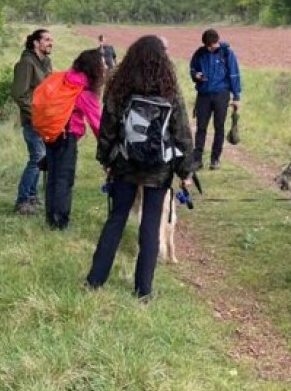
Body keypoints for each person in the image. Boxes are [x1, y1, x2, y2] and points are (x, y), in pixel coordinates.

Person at [86, 35, 195, 300]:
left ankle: (95, 280)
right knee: (150, 225)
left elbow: (108, 128)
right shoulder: (169, 90)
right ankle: (143, 290)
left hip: (125, 165)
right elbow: (181, 132)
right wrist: (186, 171)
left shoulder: (119, 87)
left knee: (116, 220)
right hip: (158, 170)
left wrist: (107, 161)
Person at [42, 49, 104, 230]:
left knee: (53, 176)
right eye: (102, 64)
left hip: (51, 132)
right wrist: (108, 146)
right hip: (66, 136)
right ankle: (60, 221)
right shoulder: (83, 90)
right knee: (64, 178)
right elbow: (97, 124)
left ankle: (50, 217)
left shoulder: (66, 79)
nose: (104, 67)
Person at [188, 28, 242, 170]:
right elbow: (192, 69)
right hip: (203, 95)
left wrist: (236, 96)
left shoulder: (227, 52)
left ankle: (215, 159)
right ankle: (197, 160)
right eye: (210, 45)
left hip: (221, 95)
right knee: (201, 128)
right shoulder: (199, 53)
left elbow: (234, 74)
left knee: (219, 127)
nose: (213, 46)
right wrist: (196, 76)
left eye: (214, 44)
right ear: (205, 44)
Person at [12, 29, 53, 215]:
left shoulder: (46, 63)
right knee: (37, 157)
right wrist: (35, 115)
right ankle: (22, 201)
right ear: (36, 43)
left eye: (51, 39)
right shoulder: (26, 63)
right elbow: (20, 94)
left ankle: (32, 196)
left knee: (41, 157)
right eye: (47, 39)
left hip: (45, 120)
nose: (50, 42)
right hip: (33, 120)